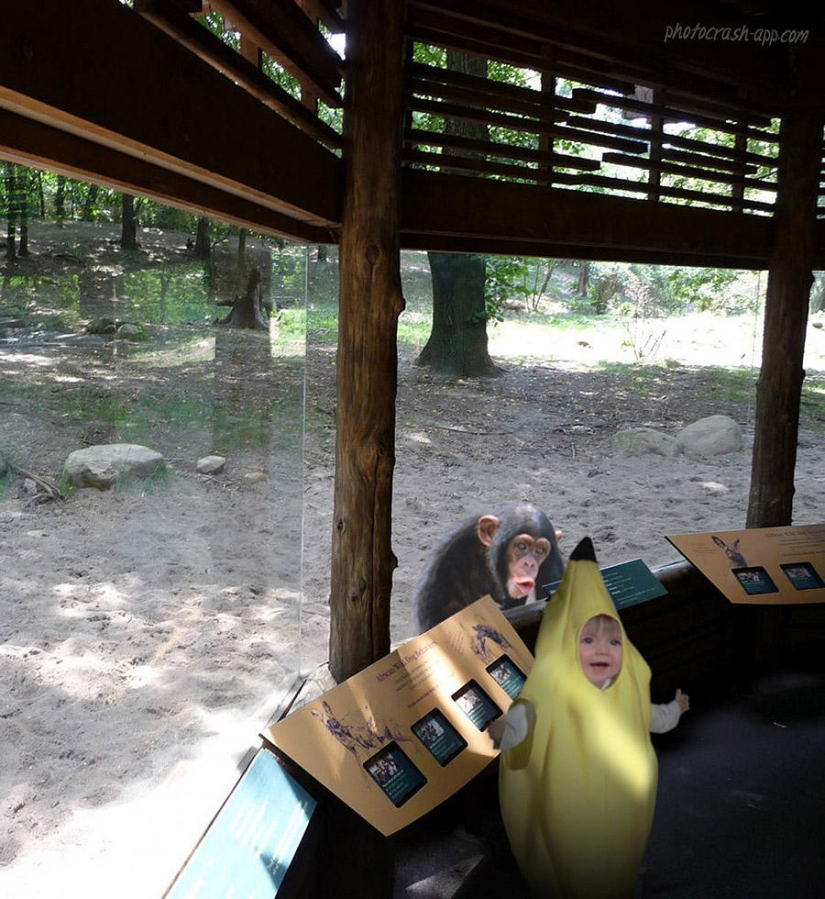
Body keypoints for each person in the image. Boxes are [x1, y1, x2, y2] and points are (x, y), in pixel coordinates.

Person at [496, 537, 688, 898]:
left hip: (617, 805)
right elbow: (520, 735)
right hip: (567, 809)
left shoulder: (626, 690)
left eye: (614, 643)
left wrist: (676, 708)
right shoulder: (548, 694)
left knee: (612, 856)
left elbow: (655, 719)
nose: (602, 650)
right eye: (587, 641)